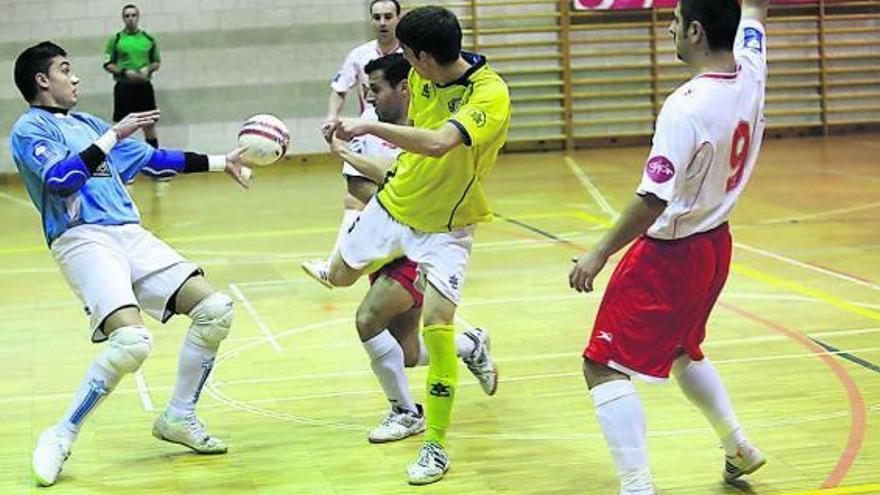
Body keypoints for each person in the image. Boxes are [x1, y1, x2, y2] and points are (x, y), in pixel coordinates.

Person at [10, 41, 251, 487]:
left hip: (129, 233)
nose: (76, 77)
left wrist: (221, 162)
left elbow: (153, 160)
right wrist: (113, 135)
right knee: (131, 343)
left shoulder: (87, 124)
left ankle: (179, 416)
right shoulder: (29, 130)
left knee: (215, 310)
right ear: (42, 80)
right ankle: (61, 433)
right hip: (82, 239)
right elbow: (63, 181)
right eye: (66, 70)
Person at [568, 0, 769, 493]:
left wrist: (599, 252)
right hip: (716, 245)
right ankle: (737, 447)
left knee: (601, 363)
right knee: (682, 348)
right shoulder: (752, 69)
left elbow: (652, 200)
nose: (670, 31)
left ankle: (637, 486)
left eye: (676, 23)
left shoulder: (687, 106)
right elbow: (756, 14)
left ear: (696, 31)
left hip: (671, 255)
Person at [314, 6, 511, 485]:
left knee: (435, 327)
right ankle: (472, 345)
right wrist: (347, 141)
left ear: (423, 58)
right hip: (396, 201)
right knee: (337, 277)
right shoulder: (422, 73)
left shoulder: (489, 94)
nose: (398, 56)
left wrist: (368, 128)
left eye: (405, 52)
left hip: (447, 226)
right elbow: (398, 112)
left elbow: (442, 142)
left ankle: (435, 446)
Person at [314, 0, 403, 273]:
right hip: (367, 131)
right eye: (377, 17)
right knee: (355, 196)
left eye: (388, 16)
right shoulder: (359, 54)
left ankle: (394, 251)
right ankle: (337, 263)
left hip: (401, 132)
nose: (383, 22)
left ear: (399, 18)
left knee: (392, 195)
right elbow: (339, 89)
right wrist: (332, 116)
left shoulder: (410, 57)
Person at [103, 4, 168, 195]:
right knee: (124, 128)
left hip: (144, 87)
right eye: (127, 16)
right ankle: (125, 171)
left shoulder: (148, 39)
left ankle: (154, 167)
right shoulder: (116, 39)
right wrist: (125, 72)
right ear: (123, 18)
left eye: (133, 15)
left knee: (149, 125)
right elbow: (108, 63)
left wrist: (148, 69)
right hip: (124, 87)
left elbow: (156, 61)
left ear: (138, 17)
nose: (130, 18)